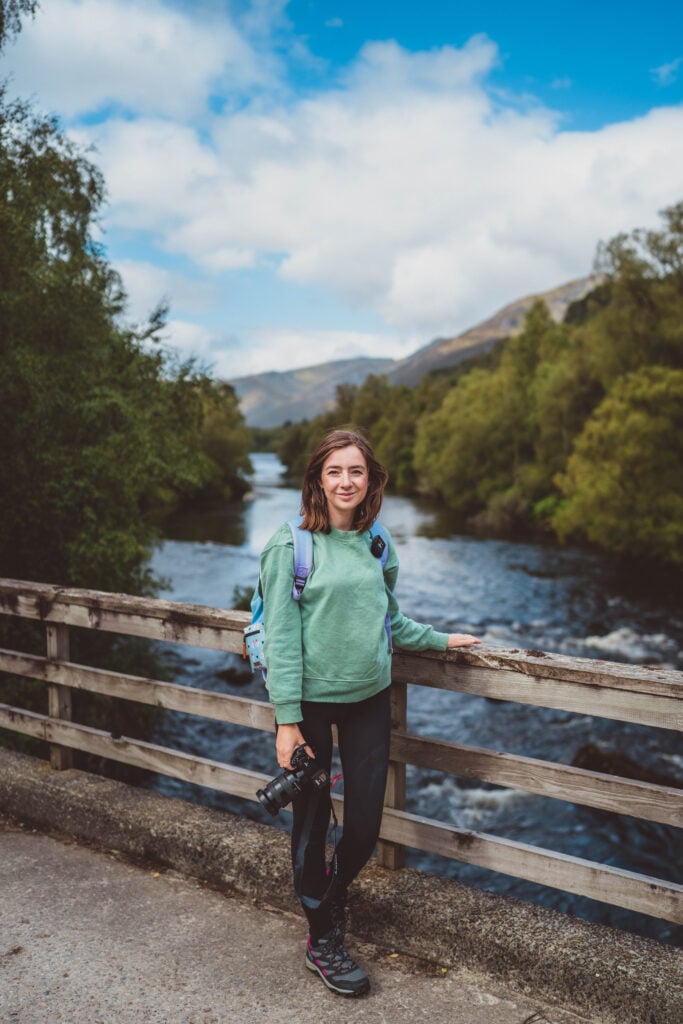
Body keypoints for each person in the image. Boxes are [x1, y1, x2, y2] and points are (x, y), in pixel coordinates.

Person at [259, 429, 480, 997]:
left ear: (371, 479)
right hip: (307, 704)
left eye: (355, 471)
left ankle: (327, 905)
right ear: (317, 479)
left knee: (363, 828)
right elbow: (282, 638)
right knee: (310, 830)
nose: (345, 482)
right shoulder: (291, 546)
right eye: (334, 471)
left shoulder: (378, 541)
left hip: (369, 701)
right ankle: (322, 941)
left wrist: (440, 640)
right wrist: (286, 721)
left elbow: (392, 620)